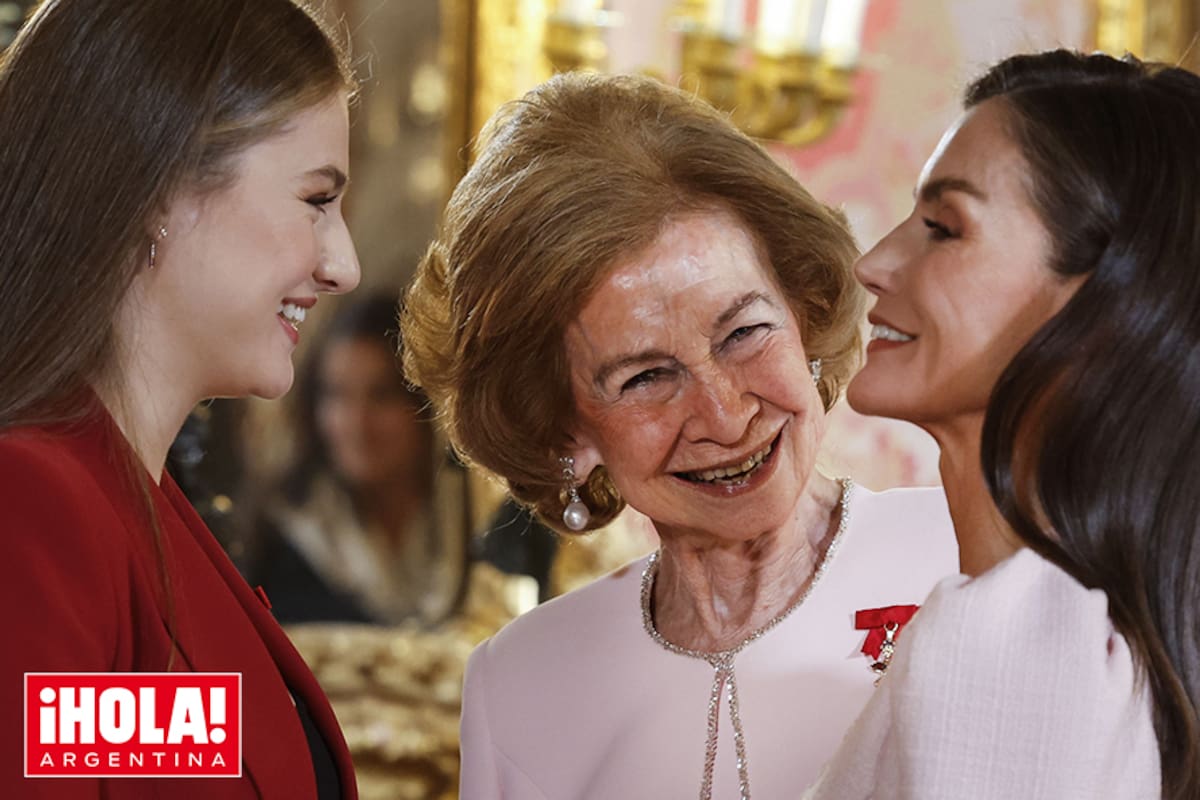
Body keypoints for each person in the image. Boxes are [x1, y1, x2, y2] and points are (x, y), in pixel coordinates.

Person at [401, 72, 959, 798]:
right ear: (562, 433)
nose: (725, 416)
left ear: (803, 315)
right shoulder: (520, 687)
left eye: (745, 333)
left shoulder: (973, 565)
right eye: (646, 378)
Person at [804, 50, 1200, 799]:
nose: (874, 262)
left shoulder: (1021, 654)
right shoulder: (1085, 641)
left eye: (943, 227)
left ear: (1100, 308)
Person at [0, 1, 361, 798]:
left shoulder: (138, 502)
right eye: (315, 200)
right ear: (156, 193)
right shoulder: (35, 502)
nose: (344, 265)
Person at [247, 291, 445, 625]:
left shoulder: (471, 533)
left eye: (381, 395)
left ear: (427, 406)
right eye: (336, 395)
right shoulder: (283, 543)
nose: (357, 423)